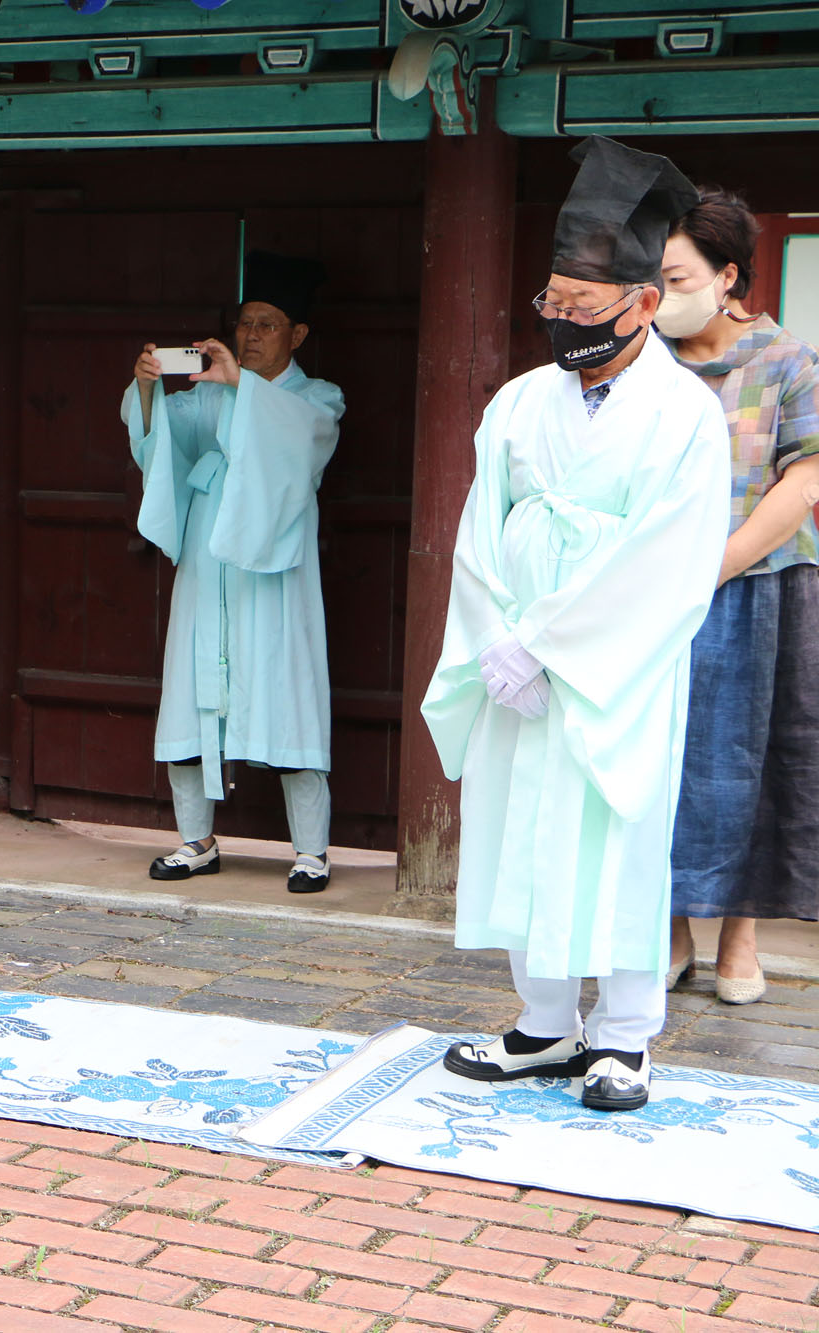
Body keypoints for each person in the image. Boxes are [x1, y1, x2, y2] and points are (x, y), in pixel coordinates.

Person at [422, 137, 731, 1112]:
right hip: (513, 660)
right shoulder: (517, 404)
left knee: (617, 837)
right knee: (522, 833)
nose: (561, 322)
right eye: (549, 305)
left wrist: (555, 648)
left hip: (616, 672)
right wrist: (494, 645)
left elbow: (668, 562)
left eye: (582, 308)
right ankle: (541, 1024)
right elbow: (476, 532)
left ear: (642, 303)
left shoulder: (685, 416)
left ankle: (625, 1037)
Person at [123, 252, 345, 894]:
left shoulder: (317, 398)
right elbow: (160, 442)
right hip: (208, 553)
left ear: (297, 335)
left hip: (275, 565)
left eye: (267, 325)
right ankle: (196, 841)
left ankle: (310, 851)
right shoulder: (212, 391)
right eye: (246, 323)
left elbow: (295, 442)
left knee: (285, 685)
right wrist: (146, 387)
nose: (250, 336)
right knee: (193, 683)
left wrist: (238, 387)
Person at [661, 190, 819, 1006]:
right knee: (664, 757)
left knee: (751, 760)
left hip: (758, 583)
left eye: (677, 276)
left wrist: (715, 563)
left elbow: (807, 477)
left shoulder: (787, 360)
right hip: (657, 592)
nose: (662, 295)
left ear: (726, 276)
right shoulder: (646, 366)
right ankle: (673, 930)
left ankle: (741, 933)